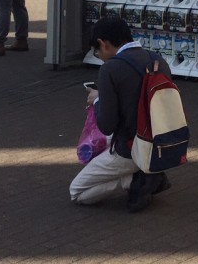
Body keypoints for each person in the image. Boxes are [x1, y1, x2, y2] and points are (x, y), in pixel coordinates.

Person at [70, 16, 172, 213]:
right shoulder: (157, 59)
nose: (98, 55)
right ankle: (146, 172)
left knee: (77, 192)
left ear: (103, 44)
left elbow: (107, 125)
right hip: (161, 142)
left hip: (131, 149)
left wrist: (98, 100)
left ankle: (135, 179)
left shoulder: (111, 69)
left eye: (97, 51)